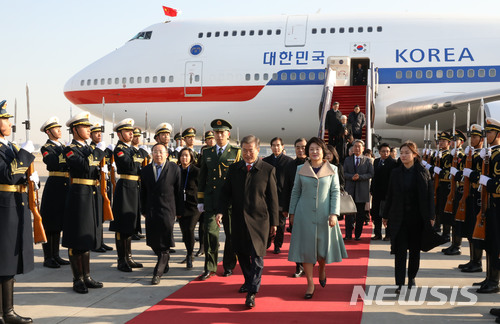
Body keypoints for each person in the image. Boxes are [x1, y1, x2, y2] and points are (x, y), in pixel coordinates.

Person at [217, 135, 279, 308]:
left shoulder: (267, 169)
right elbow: (225, 193)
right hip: (238, 219)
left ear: (258, 150)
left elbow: (273, 199)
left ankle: (252, 292)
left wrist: (275, 222)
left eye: (250, 150)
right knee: (242, 253)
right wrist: (220, 211)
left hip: (260, 221)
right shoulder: (234, 169)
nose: (247, 154)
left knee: (257, 256)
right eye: (244, 150)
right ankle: (248, 280)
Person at [288, 137, 347, 299]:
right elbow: (295, 192)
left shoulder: (333, 169)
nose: (314, 152)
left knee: (322, 250)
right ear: (308, 152)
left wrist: (334, 213)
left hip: (325, 215)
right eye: (311, 149)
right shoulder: (301, 169)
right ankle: (310, 283)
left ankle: (322, 269)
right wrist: (292, 213)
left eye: (317, 149)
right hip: (303, 215)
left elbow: (335, 192)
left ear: (323, 151)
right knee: (306, 251)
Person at [382, 141, 437, 294]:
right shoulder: (395, 173)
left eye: (407, 152)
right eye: (402, 152)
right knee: (399, 251)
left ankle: (411, 277)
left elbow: (429, 196)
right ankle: (399, 283)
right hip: (398, 217)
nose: (404, 155)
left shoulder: (423, 172)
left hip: (417, 218)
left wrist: (431, 216)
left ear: (414, 154)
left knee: (414, 251)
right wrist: (385, 215)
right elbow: (390, 195)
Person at [62, 111, 106, 294]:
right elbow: (86, 165)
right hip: (79, 195)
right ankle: (77, 279)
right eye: (85, 127)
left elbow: (94, 168)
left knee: (87, 236)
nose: (89, 130)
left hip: (91, 193)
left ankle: (87, 276)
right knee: (76, 238)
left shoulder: (88, 148)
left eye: (89, 127)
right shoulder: (70, 149)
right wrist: (98, 152)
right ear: (75, 129)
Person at [0, 100, 35, 323]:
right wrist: (24, 154)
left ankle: (7, 311)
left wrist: (29, 178)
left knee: (9, 261)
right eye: (5, 119)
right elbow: (7, 175)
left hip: (14, 204)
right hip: (4, 208)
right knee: (4, 261)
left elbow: (16, 175)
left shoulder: (7, 146)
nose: (9, 122)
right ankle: (7, 313)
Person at [197, 119, 241, 280]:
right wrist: (200, 200)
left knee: (231, 235)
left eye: (222, 132)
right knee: (209, 234)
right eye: (216, 132)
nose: (219, 135)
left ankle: (229, 265)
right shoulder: (207, 153)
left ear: (228, 134)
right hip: (211, 200)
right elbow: (202, 178)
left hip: (230, 201)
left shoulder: (236, 152)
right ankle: (210, 267)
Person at [141, 143, 183, 285]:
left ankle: (157, 273)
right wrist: (143, 209)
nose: (158, 154)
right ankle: (164, 262)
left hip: (167, 209)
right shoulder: (146, 170)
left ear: (166, 154)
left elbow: (178, 192)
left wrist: (179, 211)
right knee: (153, 241)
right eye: (155, 152)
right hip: (151, 210)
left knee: (165, 242)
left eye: (161, 152)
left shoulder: (174, 169)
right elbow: (143, 192)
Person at [109, 119, 145, 272]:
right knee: (122, 226)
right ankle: (121, 259)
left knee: (130, 225)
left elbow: (139, 164)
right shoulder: (119, 149)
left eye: (132, 131)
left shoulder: (132, 150)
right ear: (119, 134)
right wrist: (137, 159)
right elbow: (131, 166)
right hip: (124, 188)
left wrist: (137, 159)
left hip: (134, 187)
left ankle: (129, 257)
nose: (131, 133)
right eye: (127, 131)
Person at [39, 116, 71, 268]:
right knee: (50, 221)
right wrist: (66, 153)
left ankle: (56, 255)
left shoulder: (63, 147)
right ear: (48, 131)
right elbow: (52, 162)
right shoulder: (46, 148)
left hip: (65, 184)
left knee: (58, 222)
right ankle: (48, 257)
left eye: (59, 127)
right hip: (54, 185)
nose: (59, 130)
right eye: (55, 128)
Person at [474, 117, 500, 294]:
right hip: (490, 205)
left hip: (498, 205)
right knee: (490, 242)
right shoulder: (491, 153)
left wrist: (485, 181)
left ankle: (494, 281)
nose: (487, 135)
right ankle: (490, 277)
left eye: (489, 132)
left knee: (497, 245)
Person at [262, 137, 293, 254]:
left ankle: (278, 244)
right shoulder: (265, 161)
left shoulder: (289, 161)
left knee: (280, 224)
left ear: (283, 146)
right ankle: (268, 241)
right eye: (274, 145)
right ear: (271, 147)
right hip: (268, 197)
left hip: (282, 197)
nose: (276, 147)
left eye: (278, 145)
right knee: (268, 221)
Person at [282, 138, 307, 278]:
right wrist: (286, 208)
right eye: (298, 147)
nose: (300, 150)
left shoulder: (313, 164)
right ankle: (299, 265)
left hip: (311, 207)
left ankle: (309, 262)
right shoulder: (290, 165)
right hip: (296, 207)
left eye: (303, 147)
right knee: (297, 238)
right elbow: (286, 188)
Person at [89, 122, 115, 251]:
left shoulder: (104, 148)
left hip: (105, 182)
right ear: (91, 135)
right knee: (96, 214)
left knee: (102, 212)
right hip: (96, 183)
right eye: (96, 133)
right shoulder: (92, 149)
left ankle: (101, 241)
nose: (99, 134)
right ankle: (95, 242)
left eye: (100, 132)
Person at [343, 139, 374, 240]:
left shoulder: (368, 160)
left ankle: (358, 235)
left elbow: (371, 174)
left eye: (359, 146)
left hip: (362, 191)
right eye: (355, 146)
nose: (357, 148)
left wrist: (360, 177)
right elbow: (344, 173)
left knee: (360, 215)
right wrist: (352, 176)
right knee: (348, 215)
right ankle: (348, 235)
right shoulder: (347, 159)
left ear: (363, 148)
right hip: (350, 191)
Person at [177, 147, 200, 269]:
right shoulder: (176, 171)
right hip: (181, 205)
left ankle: (190, 255)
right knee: (185, 231)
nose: (184, 158)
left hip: (194, 206)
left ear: (191, 157)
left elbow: (202, 188)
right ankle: (189, 251)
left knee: (190, 229)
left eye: (186, 155)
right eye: (182, 155)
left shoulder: (196, 171)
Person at [370, 143, 397, 241]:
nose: (385, 153)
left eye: (387, 151)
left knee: (387, 214)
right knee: (376, 214)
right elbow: (374, 176)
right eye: (383, 151)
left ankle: (388, 234)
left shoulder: (393, 162)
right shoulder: (376, 161)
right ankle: (377, 234)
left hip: (387, 193)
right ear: (379, 152)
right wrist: (372, 189)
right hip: (377, 192)